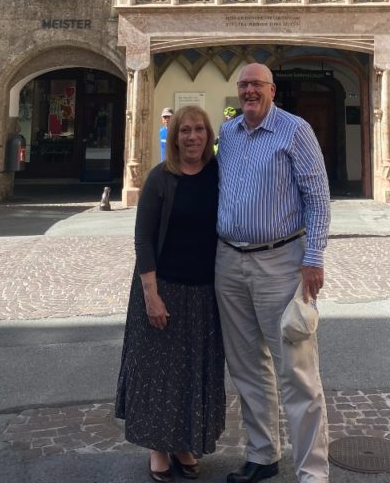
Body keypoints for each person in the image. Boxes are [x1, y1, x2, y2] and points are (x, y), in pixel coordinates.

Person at [216, 63, 331, 483]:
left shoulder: (295, 130)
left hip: (281, 262)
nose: (249, 91)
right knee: (246, 366)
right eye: (243, 85)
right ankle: (263, 455)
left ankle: (313, 472)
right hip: (228, 260)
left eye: (256, 85)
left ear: (272, 90)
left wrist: (314, 257)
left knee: (297, 369)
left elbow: (317, 197)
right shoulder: (227, 133)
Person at [116, 105, 225, 482]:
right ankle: (158, 449)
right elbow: (143, 239)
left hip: (204, 292)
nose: (192, 137)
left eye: (198, 130)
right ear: (174, 136)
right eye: (184, 131)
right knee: (158, 373)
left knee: (192, 373)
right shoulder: (160, 178)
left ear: (208, 136)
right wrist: (151, 294)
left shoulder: (217, 175)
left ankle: (183, 443)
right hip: (163, 288)